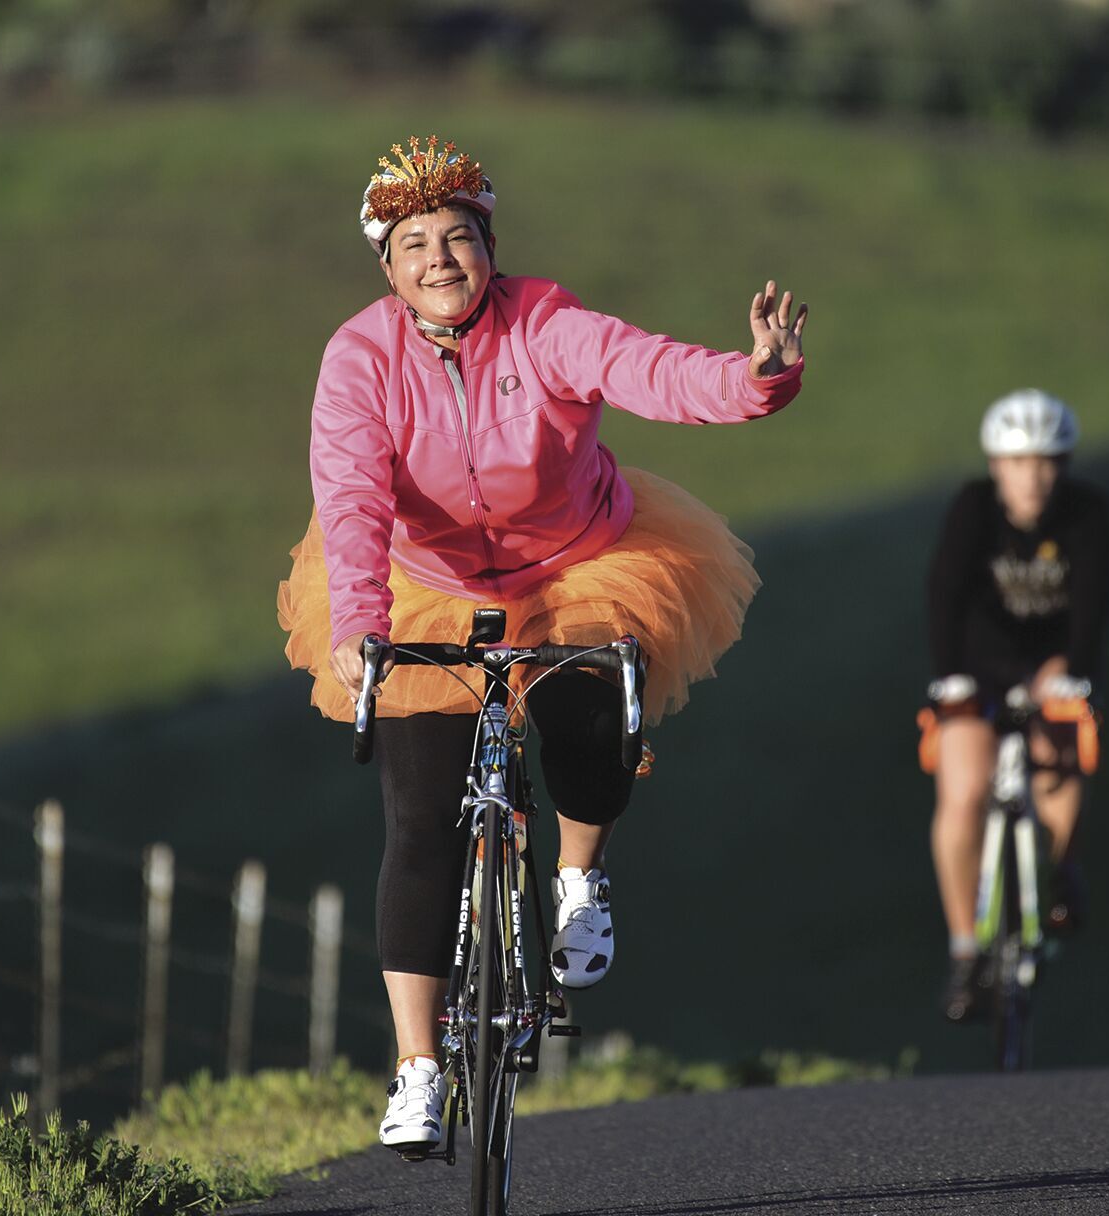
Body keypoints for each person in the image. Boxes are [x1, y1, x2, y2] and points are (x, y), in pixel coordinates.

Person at [276, 135, 808, 1150]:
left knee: (587, 719)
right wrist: (359, 625)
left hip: (576, 561)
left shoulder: (547, 324)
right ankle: (417, 1068)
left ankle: (576, 880)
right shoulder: (358, 359)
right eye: (415, 245)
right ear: (386, 268)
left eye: (458, 238)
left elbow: (648, 370)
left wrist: (753, 378)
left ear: (490, 247)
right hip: (419, 584)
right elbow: (348, 499)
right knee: (421, 819)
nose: (439, 260)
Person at [924, 389, 1109, 1023]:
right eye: (1017, 461)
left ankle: (1062, 867)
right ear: (995, 465)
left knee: (1059, 760)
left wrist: (1075, 674)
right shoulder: (973, 508)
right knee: (963, 794)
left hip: (1052, 669)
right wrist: (950, 676)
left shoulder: (1087, 513)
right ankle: (964, 951)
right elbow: (945, 594)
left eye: (1046, 461)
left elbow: (1094, 602)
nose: (1032, 476)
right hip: (978, 669)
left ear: (1063, 464)